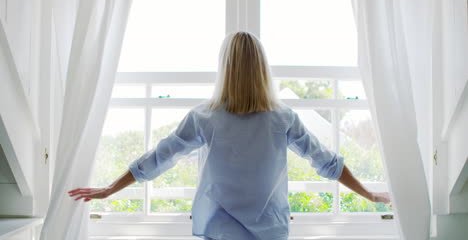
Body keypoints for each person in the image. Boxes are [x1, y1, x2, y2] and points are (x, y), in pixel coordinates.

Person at [69, 31, 391, 240]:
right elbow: (327, 163)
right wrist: (370, 195)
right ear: (262, 70)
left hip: (219, 232)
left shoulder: (204, 118)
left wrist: (110, 189)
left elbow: (158, 159)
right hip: (270, 233)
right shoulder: (283, 119)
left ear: (224, 69)